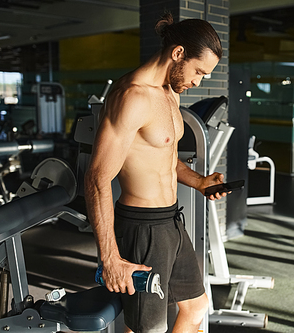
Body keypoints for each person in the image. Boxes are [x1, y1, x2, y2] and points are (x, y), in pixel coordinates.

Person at [84, 12, 224, 333]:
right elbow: (96, 178)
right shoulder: (131, 96)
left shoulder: (170, 92)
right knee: (148, 328)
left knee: (197, 307)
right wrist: (111, 259)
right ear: (178, 54)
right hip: (141, 228)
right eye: (198, 71)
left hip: (171, 222)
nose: (198, 81)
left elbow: (166, 158)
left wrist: (200, 182)